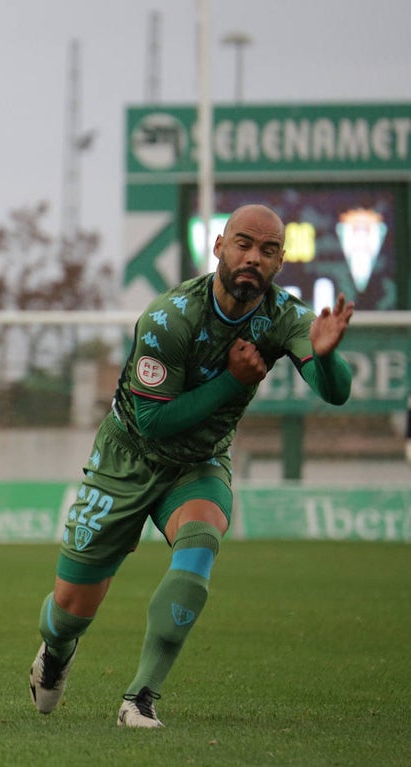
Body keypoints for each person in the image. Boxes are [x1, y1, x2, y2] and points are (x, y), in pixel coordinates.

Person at [28, 204, 354, 727]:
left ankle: (140, 698)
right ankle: (56, 652)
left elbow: (334, 392)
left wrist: (327, 356)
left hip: (200, 462)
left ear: (280, 261)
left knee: (201, 542)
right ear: (219, 246)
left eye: (268, 250)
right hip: (128, 456)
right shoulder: (168, 317)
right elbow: (154, 422)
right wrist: (233, 381)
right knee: (70, 610)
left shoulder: (285, 317)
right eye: (244, 244)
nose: (254, 258)